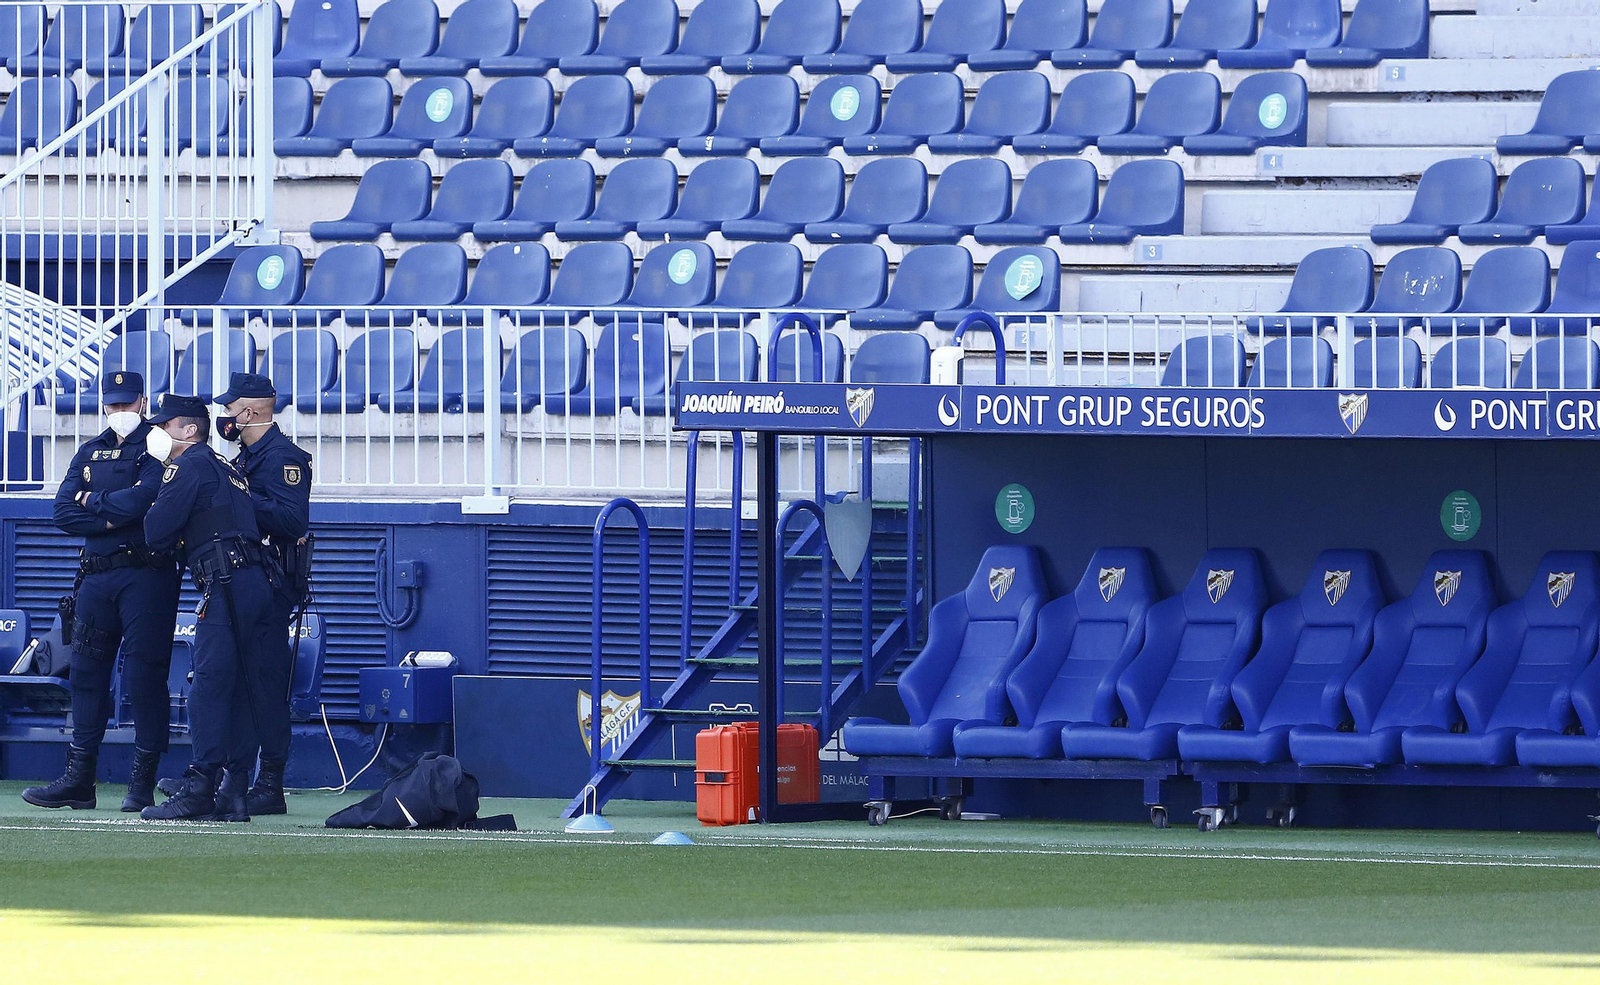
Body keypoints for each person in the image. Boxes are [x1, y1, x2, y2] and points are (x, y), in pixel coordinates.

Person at [23, 371, 182, 812]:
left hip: (145, 575)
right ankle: (80, 782)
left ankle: (141, 785)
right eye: (112, 405)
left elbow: (147, 499)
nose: (118, 413)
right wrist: (113, 513)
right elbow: (61, 511)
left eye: (126, 404)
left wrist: (91, 503)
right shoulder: (91, 448)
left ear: (143, 402)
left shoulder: (159, 445)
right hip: (95, 577)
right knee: (87, 676)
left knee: (145, 677)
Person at [138, 394, 278, 822]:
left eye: (163, 426)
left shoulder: (188, 465)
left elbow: (155, 531)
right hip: (255, 582)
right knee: (241, 688)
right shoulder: (226, 468)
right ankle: (233, 791)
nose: (156, 433)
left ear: (189, 430)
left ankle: (200, 787)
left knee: (209, 685)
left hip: (226, 582)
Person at [215, 371, 312, 815]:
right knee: (235, 684)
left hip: (272, 587)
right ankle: (231, 776)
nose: (226, 417)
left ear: (250, 412)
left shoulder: (284, 458)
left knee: (265, 683)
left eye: (231, 410)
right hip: (242, 582)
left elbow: (292, 522)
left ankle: (269, 783)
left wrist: (237, 497)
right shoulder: (244, 460)